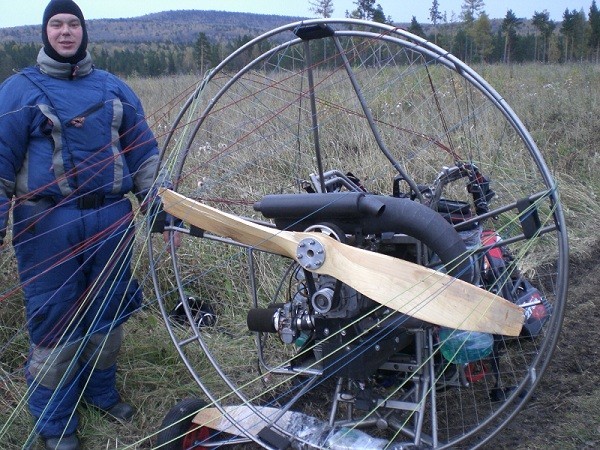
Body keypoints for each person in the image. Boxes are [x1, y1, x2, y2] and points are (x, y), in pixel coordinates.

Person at [0, 1, 174, 449]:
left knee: (108, 312)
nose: (64, 32)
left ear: (84, 32)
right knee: (54, 321)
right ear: (45, 33)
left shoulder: (114, 87)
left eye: (72, 24)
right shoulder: (18, 90)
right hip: (45, 225)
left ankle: (100, 396)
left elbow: (143, 153)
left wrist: (160, 207)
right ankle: (55, 424)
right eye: (55, 24)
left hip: (112, 219)